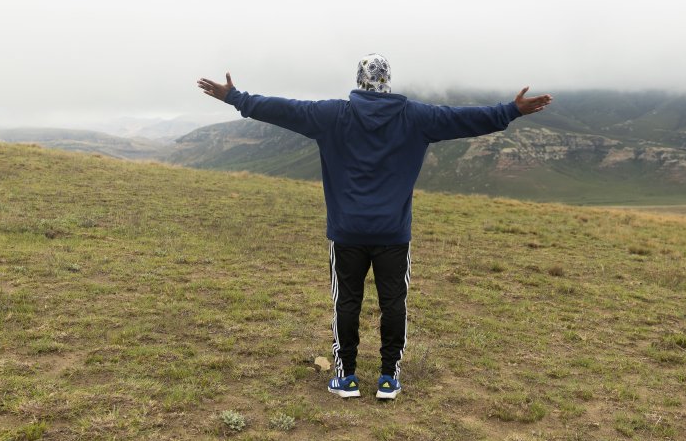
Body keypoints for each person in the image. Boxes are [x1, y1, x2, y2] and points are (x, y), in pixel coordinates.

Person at [197, 54, 552, 400]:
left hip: (346, 233)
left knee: (347, 303)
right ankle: (388, 378)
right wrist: (511, 110)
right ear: (388, 81)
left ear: (358, 80)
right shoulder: (416, 117)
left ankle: (346, 377)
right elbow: (465, 119)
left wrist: (234, 97)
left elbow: (283, 109)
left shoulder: (331, 115)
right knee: (393, 304)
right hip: (393, 234)